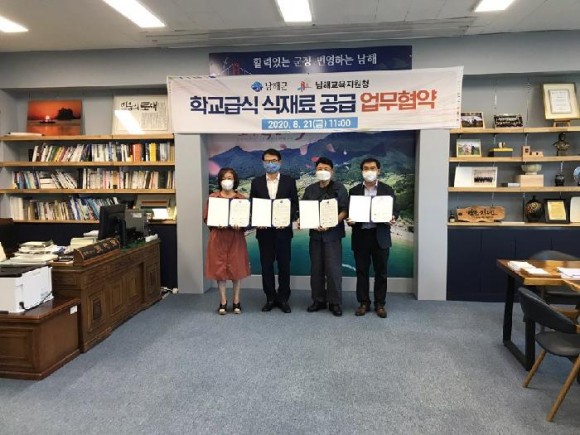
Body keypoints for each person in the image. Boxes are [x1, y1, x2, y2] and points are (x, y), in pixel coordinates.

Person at [346, 158, 399, 318]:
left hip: (380, 236)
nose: (369, 171)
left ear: (378, 171)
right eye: (366, 168)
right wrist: (350, 220)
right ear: (362, 171)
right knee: (361, 272)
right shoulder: (354, 191)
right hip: (361, 236)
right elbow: (349, 212)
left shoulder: (387, 189)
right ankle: (363, 303)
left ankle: (380, 304)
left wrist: (393, 217)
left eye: (372, 168)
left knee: (381, 272)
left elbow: (395, 210)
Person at [250, 149, 298, 313]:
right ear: (263, 162)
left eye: (274, 160)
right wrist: (257, 220)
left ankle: (283, 298)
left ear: (280, 162)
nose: (271, 164)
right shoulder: (256, 182)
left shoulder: (289, 181)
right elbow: (253, 204)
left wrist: (286, 219)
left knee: (284, 266)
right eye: (268, 161)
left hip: (283, 231)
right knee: (266, 266)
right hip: (264, 233)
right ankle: (270, 298)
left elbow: (294, 204)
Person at [301, 157, 349, 317]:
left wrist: (332, 223)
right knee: (316, 269)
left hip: (333, 235)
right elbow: (304, 209)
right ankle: (318, 300)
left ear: (332, 171)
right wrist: (305, 221)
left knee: (333, 270)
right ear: (315, 171)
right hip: (315, 235)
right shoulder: (310, 189)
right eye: (319, 169)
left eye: (326, 169)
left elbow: (344, 210)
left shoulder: (339, 188)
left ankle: (335, 302)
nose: (322, 171)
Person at [203, 167, 250, 315]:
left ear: (235, 180)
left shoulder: (241, 199)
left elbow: (247, 221)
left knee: (236, 269)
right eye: (224, 178)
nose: (227, 181)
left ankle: (236, 301)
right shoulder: (213, 198)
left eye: (229, 178)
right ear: (220, 181)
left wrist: (240, 225)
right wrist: (215, 223)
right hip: (218, 237)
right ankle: (223, 301)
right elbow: (206, 218)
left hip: (236, 238)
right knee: (219, 269)